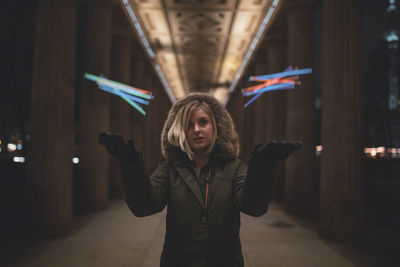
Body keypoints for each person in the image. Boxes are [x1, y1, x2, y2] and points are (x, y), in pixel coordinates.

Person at [99, 92, 301, 267]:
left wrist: (263, 167)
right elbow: (145, 207)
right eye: (189, 125)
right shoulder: (169, 170)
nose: (196, 129)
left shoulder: (234, 168)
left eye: (203, 122)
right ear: (181, 133)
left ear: (216, 127)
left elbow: (253, 207)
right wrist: (130, 165)